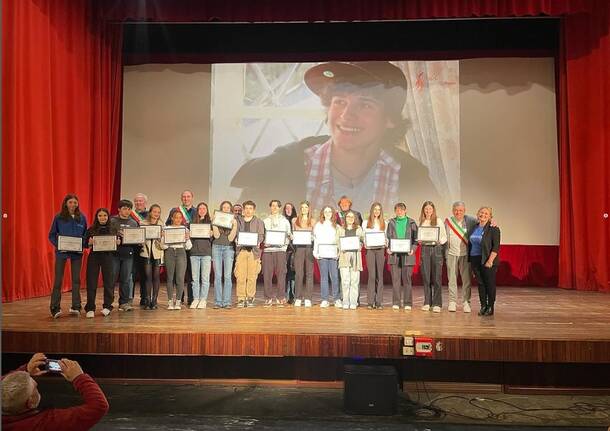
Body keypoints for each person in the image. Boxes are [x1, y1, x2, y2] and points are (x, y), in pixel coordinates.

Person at [231, 61, 439, 212]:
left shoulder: (412, 177)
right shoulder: (277, 169)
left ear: (390, 120)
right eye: (339, 101)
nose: (347, 115)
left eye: (365, 104)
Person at [2, 353, 109, 430]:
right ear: (30, 402)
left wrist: (26, 369)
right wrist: (79, 377)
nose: (37, 384)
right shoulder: (48, 424)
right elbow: (99, 407)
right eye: (34, 387)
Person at [48, 194, 88, 318]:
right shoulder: (58, 217)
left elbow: (85, 235)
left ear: (78, 204)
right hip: (62, 253)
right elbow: (52, 235)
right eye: (70, 202)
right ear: (66, 203)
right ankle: (55, 307)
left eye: (75, 202)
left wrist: (85, 244)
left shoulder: (82, 218)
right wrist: (59, 245)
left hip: (77, 254)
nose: (73, 204)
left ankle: (76, 306)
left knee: (76, 280)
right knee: (58, 280)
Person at [84, 208, 119, 318]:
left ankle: (107, 306)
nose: (102, 218)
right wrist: (88, 243)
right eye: (100, 215)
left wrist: (118, 243)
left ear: (108, 217)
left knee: (109, 282)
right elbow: (85, 244)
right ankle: (90, 308)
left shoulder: (113, 229)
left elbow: (117, 244)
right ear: (96, 217)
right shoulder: (91, 229)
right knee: (91, 282)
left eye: (105, 215)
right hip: (94, 257)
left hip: (108, 257)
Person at [466, 206, 501, 316]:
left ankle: (490, 306)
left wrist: (490, 260)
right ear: (477, 214)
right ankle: (483, 306)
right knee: (480, 284)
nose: (483, 215)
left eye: (486, 213)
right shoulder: (474, 227)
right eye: (481, 212)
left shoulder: (493, 228)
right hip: (475, 259)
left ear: (490, 216)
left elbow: (496, 247)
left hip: (487, 259)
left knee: (489, 284)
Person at [444, 201, 477, 313]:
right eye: (456, 210)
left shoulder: (471, 221)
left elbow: (484, 223)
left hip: (465, 255)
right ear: (453, 211)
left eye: (460, 210)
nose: (458, 212)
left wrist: (493, 223)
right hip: (451, 254)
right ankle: (452, 302)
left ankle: (466, 302)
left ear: (464, 211)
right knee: (452, 279)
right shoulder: (447, 222)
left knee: (466, 280)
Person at [166, 190, 197, 306]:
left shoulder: (196, 211)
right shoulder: (175, 210)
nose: (186, 199)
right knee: (177, 276)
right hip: (175, 247)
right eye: (184, 197)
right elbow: (168, 225)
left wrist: (188, 237)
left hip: (190, 245)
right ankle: (180, 298)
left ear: (192, 198)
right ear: (181, 198)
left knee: (190, 274)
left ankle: (191, 298)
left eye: (188, 196)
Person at [387, 202, 418, 310]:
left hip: (407, 256)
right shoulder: (391, 222)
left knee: (407, 280)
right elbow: (388, 238)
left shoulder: (412, 223)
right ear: (395, 211)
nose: (399, 212)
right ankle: (396, 302)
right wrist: (388, 248)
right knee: (395, 280)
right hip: (394, 255)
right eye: (397, 210)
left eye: (401, 209)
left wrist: (412, 250)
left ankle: (408, 303)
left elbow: (416, 240)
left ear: (405, 211)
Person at [234, 201, 265, 308]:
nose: (248, 210)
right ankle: (241, 298)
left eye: (250, 208)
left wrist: (257, 241)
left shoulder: (259, 222)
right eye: (246, 208)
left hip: (253, 252)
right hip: (241, 251)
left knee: (252, 276)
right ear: (243, 209)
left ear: (254, 210)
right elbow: (235, 233)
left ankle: (250, 297)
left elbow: (261, 236)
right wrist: (237, 240)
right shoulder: (238, 221)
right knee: (240, 276)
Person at [418, 201, 447, 313]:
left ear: (433, 210)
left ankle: (437, 303)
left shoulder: (438, 221)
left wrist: (438, 241)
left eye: (430, 209)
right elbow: (419, 237)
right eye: (426, 209)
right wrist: (420, 240)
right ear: (423, 210)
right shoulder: (421, 221)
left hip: (436, 249)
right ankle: (427, 302)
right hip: (425, 249)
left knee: (437, 277)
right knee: (426, 277)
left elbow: (444, 237)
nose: (428, 211)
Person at [262, 200, 292, 306]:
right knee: (267, 274)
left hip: (280, 251)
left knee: (281, 274)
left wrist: (284, 244)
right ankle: (268, 297)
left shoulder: (285, 221)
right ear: (270, 207)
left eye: (276, 206)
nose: (274, 208)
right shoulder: (265, 221)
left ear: (279, 208)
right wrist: (264, 243)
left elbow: (289, 235)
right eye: (272, 206)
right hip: (268, 251)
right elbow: (262, 236)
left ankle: (280, 297)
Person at [111, 199, 139, 312]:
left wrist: (139, 240)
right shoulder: (112, 220)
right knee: (111, 279)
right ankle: (108, 303)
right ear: (119, 209)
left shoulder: (133, 222)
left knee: (126, 279)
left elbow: (137, 237)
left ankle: (124, 303)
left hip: (128, 254)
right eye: (124, 209)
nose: (127, 211)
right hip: (114, 254)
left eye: (129, 209)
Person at [162, 209, 192, 310]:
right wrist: (163, 238)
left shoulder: (185, 229)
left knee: (180, 278)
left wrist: (187, 238)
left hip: (181, 253)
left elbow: (188, 247)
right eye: (176, 217)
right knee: (170, 278)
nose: (178, 219)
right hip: (169, 252)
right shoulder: (166, 228)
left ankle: (178, 302)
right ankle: (170, 302)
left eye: (180, 218)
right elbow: (163, 246)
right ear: (172, 218)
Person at [313, 206, 340, 308]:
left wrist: (338, 252)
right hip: (322, 255)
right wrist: (316, 252)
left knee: (335, 277)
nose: (328, 213)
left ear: (333, 213)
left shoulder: (337, 226)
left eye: (330, 211)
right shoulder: (318, 225)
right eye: (326, 211)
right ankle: (324, 299)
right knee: (324, 278)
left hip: (333, 255)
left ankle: (336, 299)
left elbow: (338, 241)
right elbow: (316, 240)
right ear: (322, 213)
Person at [212, 201, 237, 309]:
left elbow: (231, 238)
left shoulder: (233, 221)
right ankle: (218, 302)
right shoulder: (216, 220)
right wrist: (214, 223)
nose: (226, 209)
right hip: (216, 247)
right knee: (217, 276)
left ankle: (226, 302)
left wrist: (234, 225)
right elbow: (216, 236)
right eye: (224, 207)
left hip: (229, 249)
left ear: (230, 209)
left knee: (227, 276)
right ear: (221, 209)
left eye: (228, 207)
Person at [336, 211, 364, 309]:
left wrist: (359, 246)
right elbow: (337, 241)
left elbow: (362, 241)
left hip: (356, 257)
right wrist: (341, 248)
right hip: (344, 256)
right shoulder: (340, 229)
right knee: (345, 280)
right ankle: (345, 301)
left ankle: (353, 302)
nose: (350, 218)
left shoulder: (359, 229)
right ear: (345, 218)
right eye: (348, 216)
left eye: (352, 217)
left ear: (355, 218)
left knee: (354, 281)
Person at [140, 204, 164, 310]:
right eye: (154, 212)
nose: (156, 214)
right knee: (147, 276)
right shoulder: (142, 223)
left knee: (156, 277)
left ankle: (154, 301)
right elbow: (139, 241)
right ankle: (147, 300)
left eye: (158, 212)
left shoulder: (161, 224)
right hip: (146, 252)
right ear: (150, 212)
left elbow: (163, 245)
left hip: (157, 253)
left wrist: (161, 238)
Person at [292, 201, 315, 307]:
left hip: (309, 248)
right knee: (298, 273)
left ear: (309, 209)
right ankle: (298, 297)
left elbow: (315, 235)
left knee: (309, 273)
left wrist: (312, 237)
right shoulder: (294, 220)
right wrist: (292, 237)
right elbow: (293, 233)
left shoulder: (313, 221)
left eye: (306, 207)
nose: (304, 209)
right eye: (302, 207)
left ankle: (308, 298)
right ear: (300, 209)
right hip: (299, 248)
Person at [363, 202, 386, 309]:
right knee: (372, 276)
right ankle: (370, 301)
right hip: (370, 251)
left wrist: (386, 242)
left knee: (379, 276)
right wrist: (365, 243)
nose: (377, 211)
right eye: (375, 209)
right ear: (372, 211)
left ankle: (379, 302)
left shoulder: (384, 223)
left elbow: (387, 238)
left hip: (380, 250)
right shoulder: (365, 223)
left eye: (378, 209)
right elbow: (363, 237)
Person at [190, 202, 213, 309]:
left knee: (205, 278)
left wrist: (212, 234)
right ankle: (195, 299)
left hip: (206, 254)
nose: (202, 210)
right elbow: (189, 239)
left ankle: (203, 299)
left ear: (207, 210)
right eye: (200, 208)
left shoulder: (211, 223)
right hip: (194, 253)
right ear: (197, 210)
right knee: (195, 279)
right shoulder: (192, 223)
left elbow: (213, 239)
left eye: (204, 208)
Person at [130, 193, 149, 307]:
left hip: (145, 248)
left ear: (145, 203)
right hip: (132, 248)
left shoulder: (149, 214)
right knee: (131, 274)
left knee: (144, 275)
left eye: (140, 201)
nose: (138, 203)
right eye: (136, 201)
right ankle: (129, 298)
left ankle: (144, 298)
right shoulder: (130, 214)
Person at [282, 202, 297, 303]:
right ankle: (285, 295)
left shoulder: (297, 220)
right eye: (286, 208)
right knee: (284, 273)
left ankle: (292, 295)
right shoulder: (282, 220)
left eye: (290, 208)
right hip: (283, 249)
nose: (288, 210)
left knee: (293, 273)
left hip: (294, 250)